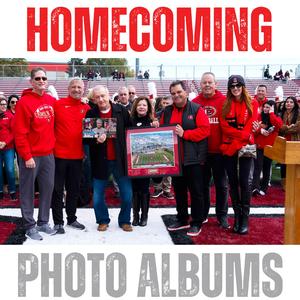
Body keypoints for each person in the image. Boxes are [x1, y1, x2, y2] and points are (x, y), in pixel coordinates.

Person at [160, 80, 210, 236]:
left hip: (193, 159)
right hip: (175, 160)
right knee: (179, 191)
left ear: (186, 92)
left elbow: (205, 130)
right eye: (173, 93)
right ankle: (182, 218)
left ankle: (196, 222)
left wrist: (185, 134)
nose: (176, 95)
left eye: (179, 92)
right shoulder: (167, 111)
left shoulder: (196, 109)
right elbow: (162, 130)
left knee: (196, 192)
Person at [14, 67, 56, 240]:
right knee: (27, 191)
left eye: (44, 78)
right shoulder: (24, 102)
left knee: (47, 189)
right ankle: (29, 225)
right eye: (37, 78)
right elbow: (19, 132)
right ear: (31, 82)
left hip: (48, 154)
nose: (41, 81)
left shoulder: (51, 100)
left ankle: (43, 222)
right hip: (31, 155)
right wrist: (26, 155)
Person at [85, 85, 133, 232]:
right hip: (101, 161)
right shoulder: (91, 113)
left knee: (127, 195)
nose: (101, 99)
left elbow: (131, 132)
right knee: (98, 196)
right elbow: (85, 139)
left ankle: (125, 220)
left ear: (108, 95)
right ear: (94, 99)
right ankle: (102, 220)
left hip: (120, 160)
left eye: (103, 96)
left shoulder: (122, 111)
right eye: (97, 97)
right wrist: (95, 140)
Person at [220, 75, 258, 235]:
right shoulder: (226, 103)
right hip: (229, 146)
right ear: (229, 88)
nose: (235, 88)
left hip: (246, 147)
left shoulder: (253, 103)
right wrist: (242, 136)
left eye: (238, 86)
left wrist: (242, 137)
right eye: (232, 86)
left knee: (245, 182)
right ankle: (236, 217)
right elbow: (224, 127)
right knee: (233, 182)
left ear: (242, 86)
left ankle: (244, 219)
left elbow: (251, 124)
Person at [51, 78, 90, 234]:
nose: (76, 89)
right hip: (58, 155)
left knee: (74, 189)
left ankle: (72, 218)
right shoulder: (58, 105)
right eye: (73, 87)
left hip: (77, 156)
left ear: (83, 89)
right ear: (68, 89)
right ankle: (58, 222)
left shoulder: (86, 108)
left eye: (79, 87)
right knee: (57, 190)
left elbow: (94, 131)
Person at [192, 72, 229, 229]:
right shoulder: (194, 103)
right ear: (200, 84)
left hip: (220, 152)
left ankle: (222, 215)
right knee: (202, 186)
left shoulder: (224, 101)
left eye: (210, 82)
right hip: (202, 153)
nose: (207, 85)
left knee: (222, 185)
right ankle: (203, 214)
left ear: (215, 84)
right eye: (204, 82)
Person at [130, 96, 159, 226]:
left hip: (145, 163)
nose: (142, 107)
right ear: (135, 107)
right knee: (134, 189)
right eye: (139, 105)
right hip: (132, 162)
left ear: (148, 108)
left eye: (144, 105)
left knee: (144, 189)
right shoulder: (129, 121)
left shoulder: (153, 122)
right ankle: (135, 216)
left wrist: (156, 127)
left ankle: (144, 216)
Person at [252, 101, 283, 196]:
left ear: (273, 109)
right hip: (259, 146)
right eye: (264, 107)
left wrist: (271, 114)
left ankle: (264, 188)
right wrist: (260, 131)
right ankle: (255, 188)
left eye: (268, 107)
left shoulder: (276, 117)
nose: (265, 109)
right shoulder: (258, 116)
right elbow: (252, 129)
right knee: (257, 167)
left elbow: (279, 126)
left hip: (270, 147)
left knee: (266, 167)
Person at [151, 95, 174, 200]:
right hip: (157, 142)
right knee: (156, 166)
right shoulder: (157, 114)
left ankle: (167, 189)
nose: (165, 105)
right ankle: (157, 188)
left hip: (170, 143)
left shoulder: (174, 113)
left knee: (169, 167)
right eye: (163, 103)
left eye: (167, 103)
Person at [278, 96, 300, 189]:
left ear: (294, 104)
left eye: (291, 102)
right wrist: (287, 127)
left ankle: (295, 183)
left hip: (294, 140)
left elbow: (297, 128)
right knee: (283, 163)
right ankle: (284, 184)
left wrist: (285, 128)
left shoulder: (299, 113)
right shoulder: (281, 114)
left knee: (295, 163)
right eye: (287, 102)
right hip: (283, 140)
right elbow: (279, 127)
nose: (289, 103)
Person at [0, 97, 16, 200]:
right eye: (1, 104)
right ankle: (0, 191)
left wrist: (5, 142)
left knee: (10, 170)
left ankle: (12, 191)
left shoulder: (10, 116)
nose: (3, 106)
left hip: (8, 147)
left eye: (5, 104)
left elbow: (13, 132)